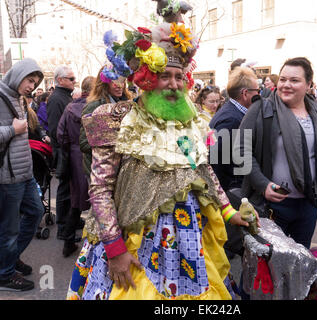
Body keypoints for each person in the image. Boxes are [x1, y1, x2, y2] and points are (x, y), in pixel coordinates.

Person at [67, 13, 250, 300]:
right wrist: (115, 250)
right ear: (146, 79)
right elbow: (100, 188)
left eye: (180, 77)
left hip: (189, 241)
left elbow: (203, 171)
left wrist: (230, 212)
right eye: (165, 75)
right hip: (132, 244)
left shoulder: (189, 123)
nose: (175, 84)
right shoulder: (115, 120)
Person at [237, 57, 317, 250]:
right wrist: (262, 183)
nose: (286, 85)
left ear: (309, 84)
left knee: (301, 263)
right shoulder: (261, 108)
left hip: (309, 203)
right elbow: (240, 150)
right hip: (272, 207)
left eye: (294, 80)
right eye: (282, 79)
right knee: (265, 267)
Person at [0, 58, 44, 291]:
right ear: (19, 74)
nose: (32, 86)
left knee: (36, 212)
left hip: (24, 173)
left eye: (35, 83)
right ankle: (5, 275)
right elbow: (10, 132)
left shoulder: (19, 97)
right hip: (7, 176)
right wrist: (12, 130)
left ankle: (9, 258)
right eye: (29, 80)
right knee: (9, 228)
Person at [57, 76, 95, 257]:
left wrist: (69, 150)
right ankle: (97, 244)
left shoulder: (70, 108)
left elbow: (61, 134)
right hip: (94, 155)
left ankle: (68, 241)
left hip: (74, 155)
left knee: (76, 200)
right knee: (99, 199)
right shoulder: (97, 108)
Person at [209, 66, 259, 193]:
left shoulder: (233, 113)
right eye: (257, 91)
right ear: (245, 93)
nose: (259, 95)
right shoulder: (232, 120)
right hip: (231, 193)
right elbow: (218, 164)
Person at [79, 66, 133, 177]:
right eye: (114, 81)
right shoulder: (94, 106)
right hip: (100, 173)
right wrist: (113, 143)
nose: (119, 86)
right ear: (104, 84)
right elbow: (84, 143)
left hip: (122, 171)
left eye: (122, 81)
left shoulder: (128, 104)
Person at [46, 65, 76, 241]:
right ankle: (63, 227)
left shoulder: (64, 97)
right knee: (64, 188)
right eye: (71, 79)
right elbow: (57, 129)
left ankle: (70, 221)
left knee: (70, 187)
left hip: (67, 149)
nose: (74, 82)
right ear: (60, 80)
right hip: (63, 151)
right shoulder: (57, 98)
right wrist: (63, 152)